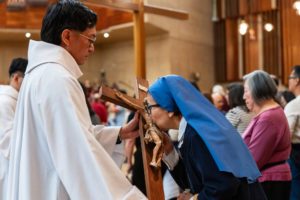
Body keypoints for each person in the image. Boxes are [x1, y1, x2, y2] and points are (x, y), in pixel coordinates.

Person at [6, 1, 146, 199]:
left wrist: (120, 133)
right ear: (67, 37)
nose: (92, 49)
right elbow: (78, 153)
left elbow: (74, 135)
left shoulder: (39, 74)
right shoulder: (58, 79)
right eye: (90, 39)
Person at [146, 75, 267, 200]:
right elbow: (195, 182)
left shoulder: (195, 134)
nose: (148, 114)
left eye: (149, 107)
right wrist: (170, 151)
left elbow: (222, 185)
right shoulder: (192, 129)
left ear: (169, 108)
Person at [243, 70, 291, 200]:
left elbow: (254, 159)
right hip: (270, 180)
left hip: (270, 182)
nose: (244, 96)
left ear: (257, 91)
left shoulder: (268, 118)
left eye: (246, 91)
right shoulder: (268, 114)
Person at [0, 58, 27, 200]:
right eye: (28, 79)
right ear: (16, 78)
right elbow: (9, 143)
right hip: (7, 167)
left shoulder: (16, 100)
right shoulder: (4, 102)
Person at [284, 66, 300, 200]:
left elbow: (286, 136)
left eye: (290, 78)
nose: (288, 81)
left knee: (295, 191)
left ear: (297, 80)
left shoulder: (294, 105)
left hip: (296, 154)